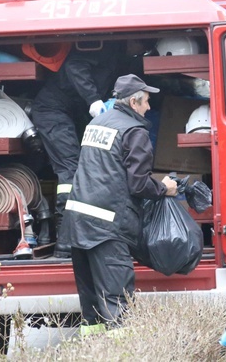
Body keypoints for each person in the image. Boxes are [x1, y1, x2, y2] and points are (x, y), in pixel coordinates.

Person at [60, 74, 178, 333]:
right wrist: (164, 188)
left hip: (78, 224)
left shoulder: (97, 123)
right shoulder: (134, 132)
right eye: (146, 101)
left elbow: (104, 169)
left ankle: (93, 350)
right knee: (117, 304)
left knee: (91, 307)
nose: (149, 107)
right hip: (107, 227)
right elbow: (138, 184)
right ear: (134, 102)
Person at [31, 42, 122, 258]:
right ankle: (65, 241)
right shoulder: (104, 49)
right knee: (69, 172)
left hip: (73, 113)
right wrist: (93, 99)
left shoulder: (121, 57)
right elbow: (74, 67)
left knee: (85, 169)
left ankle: (79, 235)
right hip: (52, 110)